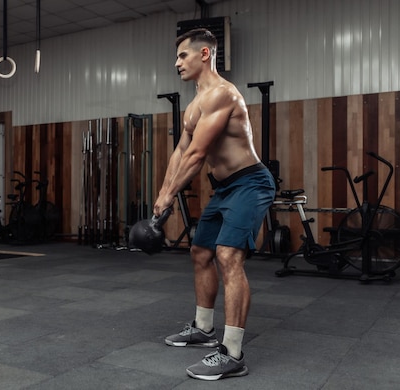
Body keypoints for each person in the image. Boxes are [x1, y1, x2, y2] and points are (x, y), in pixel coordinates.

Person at [153, 28, 276, 381]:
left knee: (227, 255)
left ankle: (233, 353)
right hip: (223, 188)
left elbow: (197, 153)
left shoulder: (223, 94)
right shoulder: (193, 105)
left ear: (204, 54)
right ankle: (204, 329)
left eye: (183, 56)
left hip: (251, 182)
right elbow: (180, 152)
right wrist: (162, 194)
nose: (177, 63)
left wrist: (169, 195)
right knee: (200, 252)